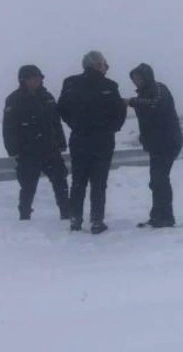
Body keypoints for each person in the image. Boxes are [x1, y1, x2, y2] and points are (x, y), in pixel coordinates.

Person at [58, 51, 126, 233]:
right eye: (105, 64)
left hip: (79, 139)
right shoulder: (110, 86)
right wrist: (110, 128)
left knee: (78, 181)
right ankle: (96, 221)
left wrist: (76, 124)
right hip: (103, 141)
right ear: (96, 65)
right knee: (99, 182)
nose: (106, 67)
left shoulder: (70, 83)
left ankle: (75, 219)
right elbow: (120, 111)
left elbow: (62, 109)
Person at [3, 65, 70, 221]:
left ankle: (66, 213)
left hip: (50, 148)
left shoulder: (47, 97)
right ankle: (24, 215)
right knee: (28, 186)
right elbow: (8, 128)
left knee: (60, 181)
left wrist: (61, 142)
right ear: (24, 80)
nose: (37, 80)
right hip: (27, 152)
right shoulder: (14, 99)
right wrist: (13, 150)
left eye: (39, 77)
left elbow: (56, 122)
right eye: (33, 78)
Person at [125, 63, 183, 228]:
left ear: (147, 76)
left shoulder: (159, 89)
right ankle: (158, 215)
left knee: (160, 180)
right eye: (133, 79)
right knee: (156, 180)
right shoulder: (144, 94)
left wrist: (131, 102)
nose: (136, 81)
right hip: (156, 144)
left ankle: (166, 217)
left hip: (168, 142)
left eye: (138, 78)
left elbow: (154, 104)